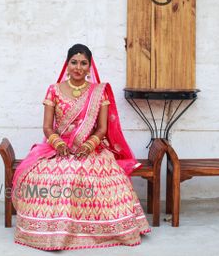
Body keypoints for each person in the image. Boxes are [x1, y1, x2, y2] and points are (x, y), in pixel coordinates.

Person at [11, 44, 150, 250]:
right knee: (57, 174)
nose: (78, 67)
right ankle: (52, 230)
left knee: (90, 173)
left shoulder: (98, 92)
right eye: (74, 62)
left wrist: (88, 145)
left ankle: (94, 230)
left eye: (83, 63)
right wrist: (58, 143)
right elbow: (48, 127)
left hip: (91, 147)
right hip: (59, 147)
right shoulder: (54, 90)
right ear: (67, 65)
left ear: (89, 67)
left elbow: (102, 129)